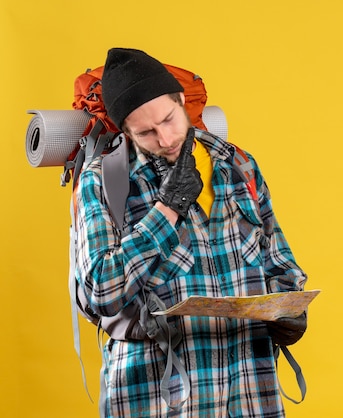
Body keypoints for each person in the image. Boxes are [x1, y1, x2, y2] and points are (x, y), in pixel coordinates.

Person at [75, 48, 308, 417]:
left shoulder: (239, 165)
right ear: (127, 131)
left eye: (169, 119)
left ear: (181, 100)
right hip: (159, 395)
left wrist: (288, 309)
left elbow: (280, 262)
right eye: (145, 132)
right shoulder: (104, 181)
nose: (165, 138)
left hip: (249, 389)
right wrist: (167, 209)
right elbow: (101, 290)